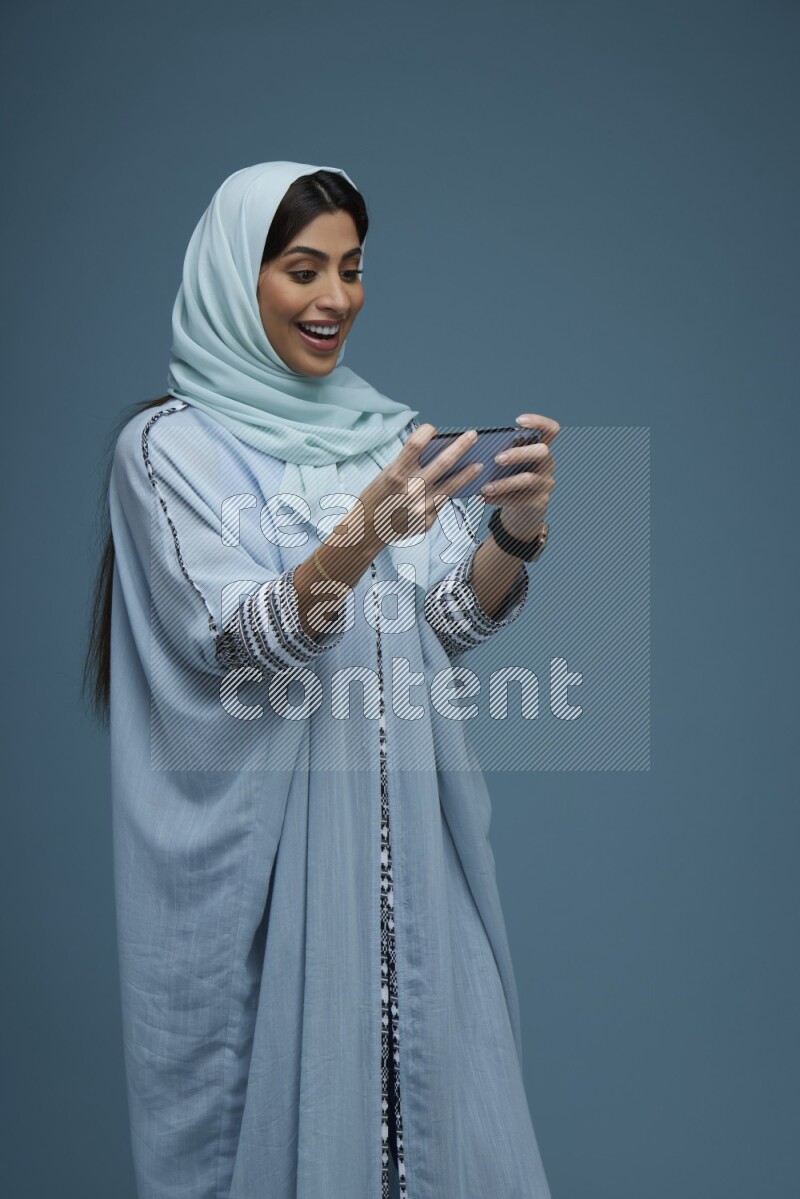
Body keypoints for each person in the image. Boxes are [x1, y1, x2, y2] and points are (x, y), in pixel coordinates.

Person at [83, 161, 559, 1199]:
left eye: (349, 269)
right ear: (231, 279)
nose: (334, 298)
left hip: (412, 858)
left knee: (448, 1114)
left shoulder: (385, 436)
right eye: (302, 269)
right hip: (273, 865)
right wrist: (361, 533)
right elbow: (240, 636)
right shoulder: (167, 450)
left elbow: (446, 617)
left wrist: (515, 530)